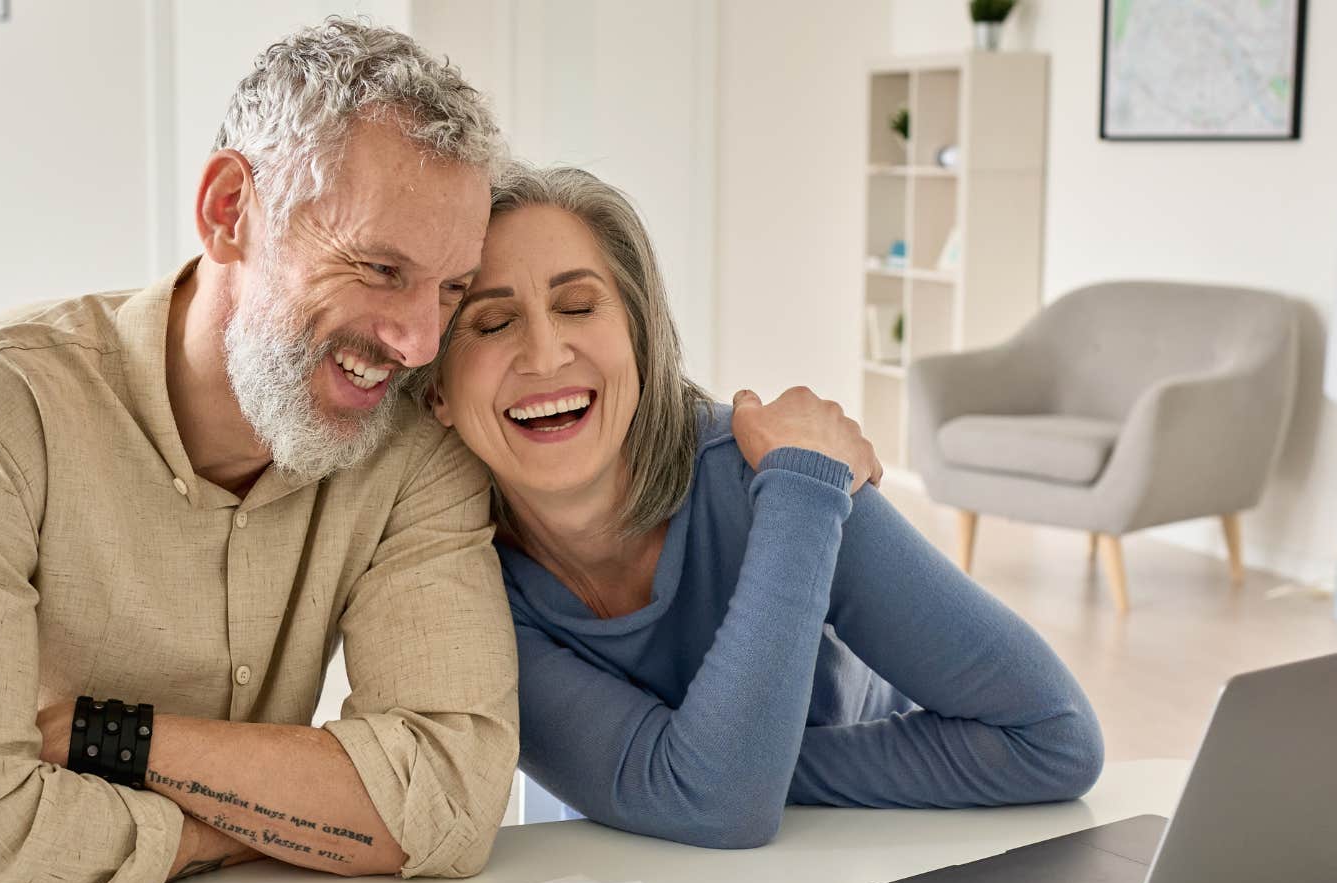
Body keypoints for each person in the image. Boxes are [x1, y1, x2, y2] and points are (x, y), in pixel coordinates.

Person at [0, 20, 520, 883]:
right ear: (230, 208)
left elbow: (451, 796)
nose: (419, 341)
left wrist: (104, 738)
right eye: (380, 268)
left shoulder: (413, 449)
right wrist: (256, 827)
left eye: (449, 289)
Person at [403, 165, 1103, 848]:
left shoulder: (788, 479)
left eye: (579, 307)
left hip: (857, 854)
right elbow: (716, 800)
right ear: (435, 391)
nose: (547, 354)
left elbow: (1053, 737)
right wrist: (715, 773)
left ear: (641, 344)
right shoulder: (457, 581)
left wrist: (716, 769)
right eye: (492, 323)